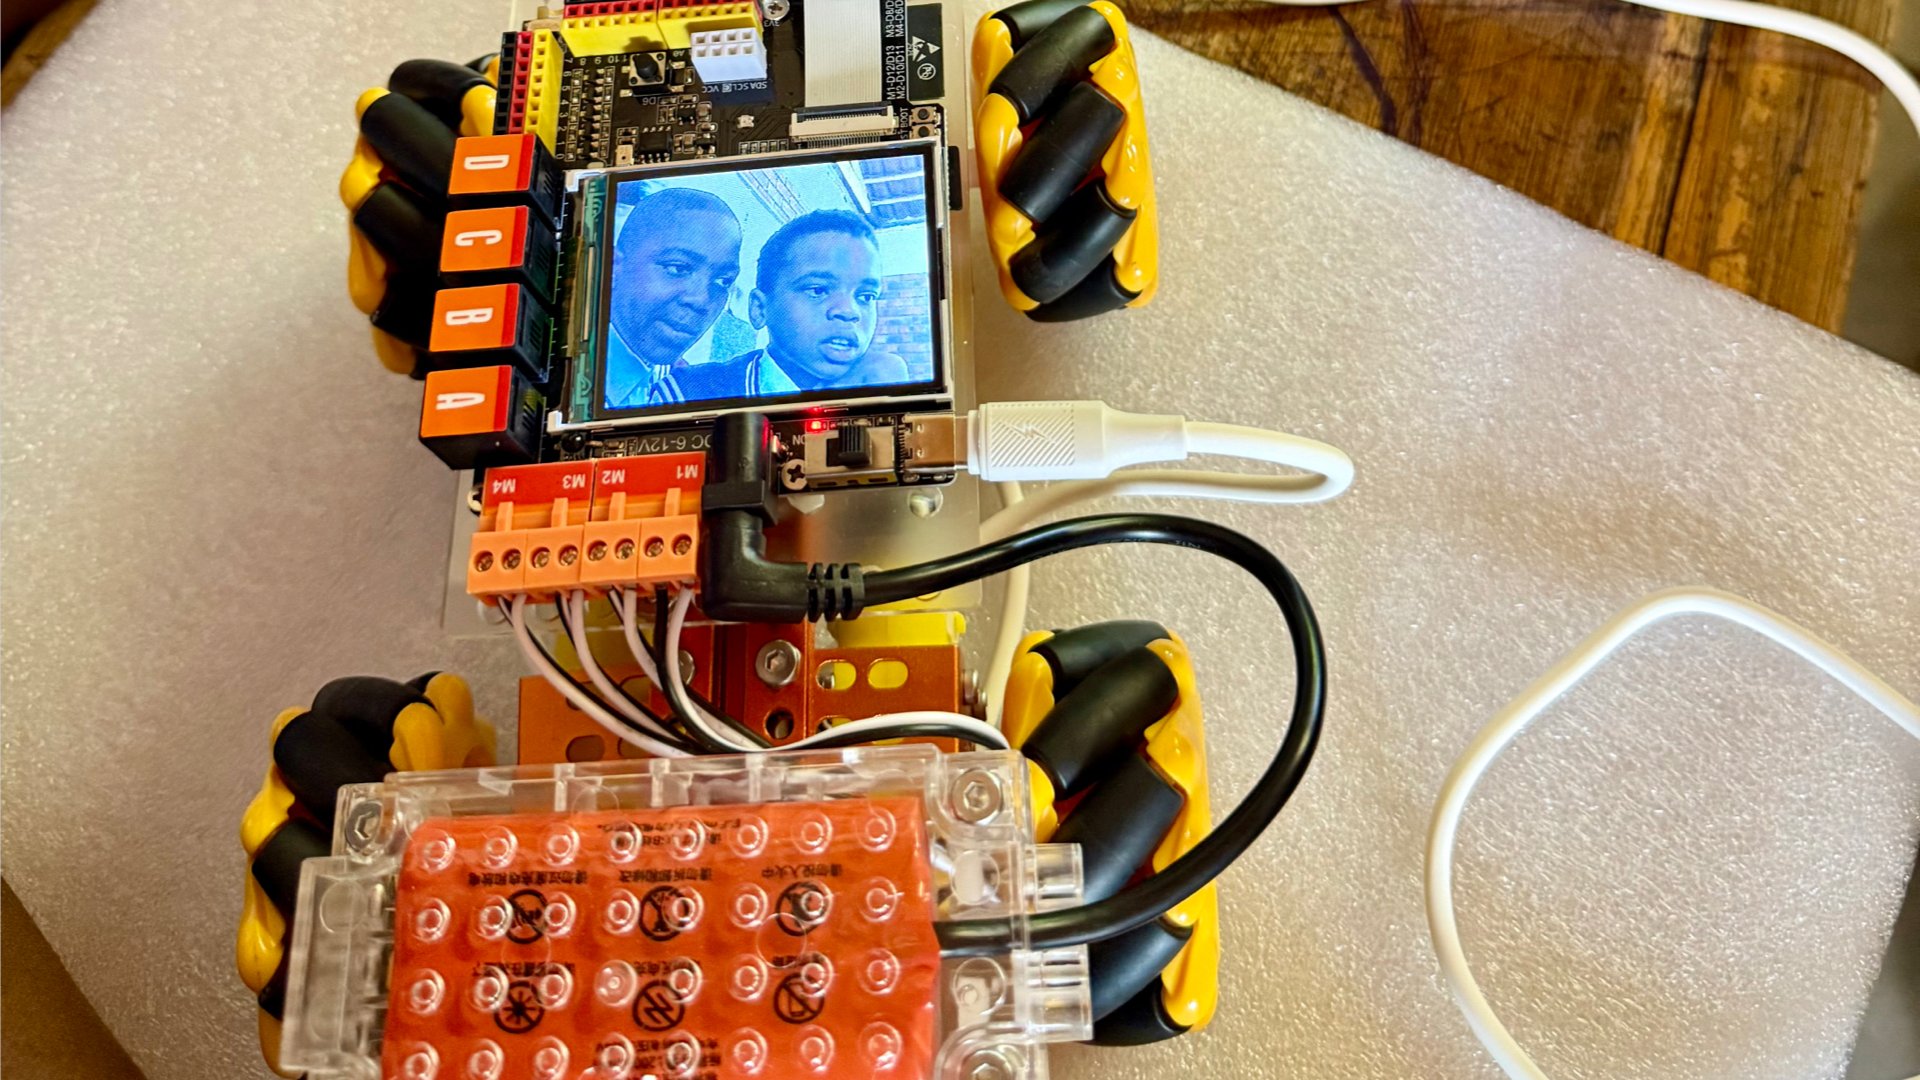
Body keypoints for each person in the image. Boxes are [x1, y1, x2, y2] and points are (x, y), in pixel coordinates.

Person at [648, 210, 908, 405]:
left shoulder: (884, 389)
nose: (849, 311)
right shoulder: (688, 394)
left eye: (865, 296)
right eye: (818, 290)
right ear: (760, 309)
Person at [603, 187, 742, 410]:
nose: (701, 300)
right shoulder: (573, 381)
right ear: (613, 266)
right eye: (678, 268)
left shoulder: (681, 387)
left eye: (722, 281)